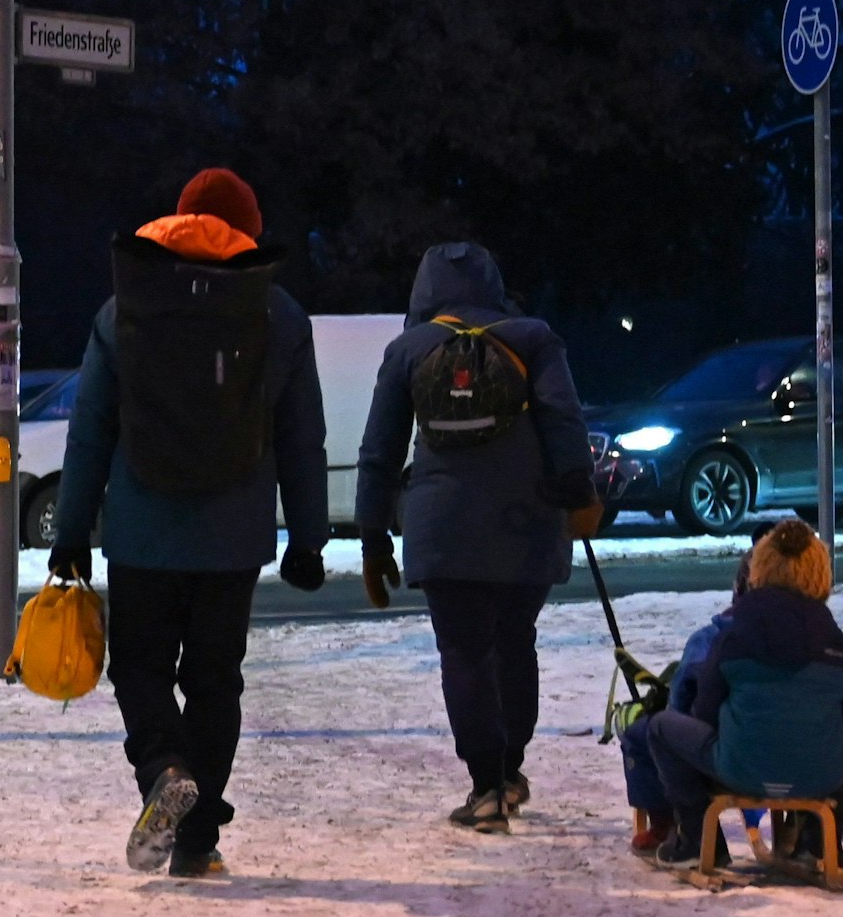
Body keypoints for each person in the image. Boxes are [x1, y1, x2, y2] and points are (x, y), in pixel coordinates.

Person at [49, 167, 329, 878]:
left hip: (142, 531)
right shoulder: (280, 315)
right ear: (248, 229)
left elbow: (90, 433)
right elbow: (302, 438)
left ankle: (164, 768)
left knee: (139, 666)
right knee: (215, 679)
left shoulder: (126, 308)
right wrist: (307, 537)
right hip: (232, 537)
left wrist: (72, 532)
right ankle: (198, 843)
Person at [353, 241, 597, 834]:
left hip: (441, 527)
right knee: (516, 643)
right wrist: (580, 493)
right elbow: (564, 420)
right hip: (527, 522)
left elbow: (378, 452)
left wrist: (372, 539)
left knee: (463, 652)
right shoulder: (534, 338)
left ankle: (485, 787)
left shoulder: (408, 350)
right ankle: (510, 773)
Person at [646, 517, 843, 870]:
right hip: (822, 771)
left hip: (739, 766)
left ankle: (697, 839)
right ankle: (820, 837)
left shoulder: (737, 628)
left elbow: (706, 706)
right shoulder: (830, 634)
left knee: (661, 727)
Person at [620, 529, 767, 855]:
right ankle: (801, 831)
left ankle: (671, 826)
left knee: (645, 732)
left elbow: (685, 706)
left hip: (727, 761)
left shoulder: (713, 639)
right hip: (803, 762)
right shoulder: (818, 640)